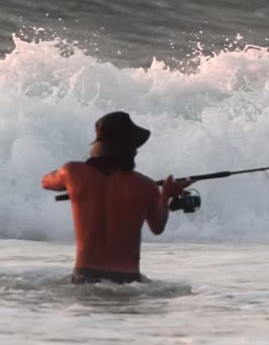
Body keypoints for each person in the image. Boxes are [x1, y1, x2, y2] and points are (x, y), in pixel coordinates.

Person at [41, 112, 192, 284]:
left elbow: (46, 182)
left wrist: (69, 182)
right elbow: (158, 227)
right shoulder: (146, 186)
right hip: (128, 281)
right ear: (131, 150)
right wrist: (165, 196)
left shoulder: (72, 173)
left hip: (84, 277)